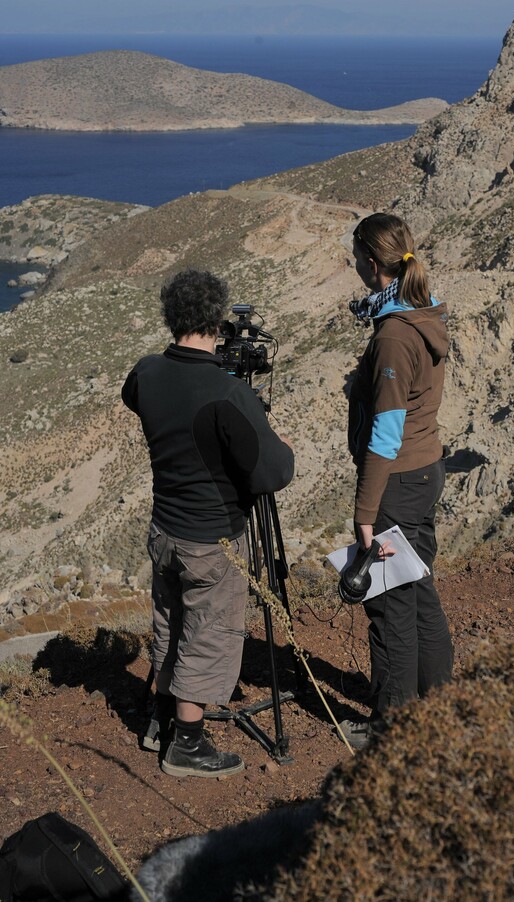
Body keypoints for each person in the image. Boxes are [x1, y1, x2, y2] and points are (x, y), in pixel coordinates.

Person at [122, 270, 294, 778]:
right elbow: (272, 472)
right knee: (208, 632)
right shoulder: (225, 393)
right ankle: (189, 746)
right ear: (216, 320)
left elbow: (137, 396)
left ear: (171, 317)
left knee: (168, 624)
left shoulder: (146, 373)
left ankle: (159, 719)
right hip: (213, 538)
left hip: (164, 529)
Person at [339, 213, 453, 750]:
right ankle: (438, 710)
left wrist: (366, 512)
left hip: (397, 483)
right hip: (425, 469)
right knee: (419, 592)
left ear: (371, 263)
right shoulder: (421, 313)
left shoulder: (391, 337)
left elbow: (386, 432)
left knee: (388, 607)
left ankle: (392, 729)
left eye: (357, 257)